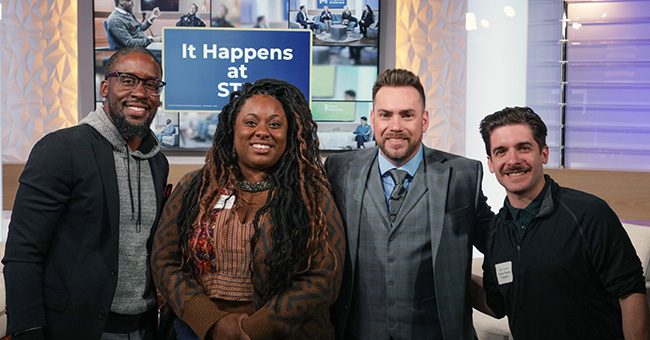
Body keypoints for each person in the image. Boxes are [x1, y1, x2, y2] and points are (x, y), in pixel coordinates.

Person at [151, 79, 345, 339]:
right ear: (232, 129)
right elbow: (164, 262)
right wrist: (211, 322)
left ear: (289, 134)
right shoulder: (194, 188)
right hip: (197, 333)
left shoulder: (311, 195)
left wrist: (254, 329)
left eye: (275, 124)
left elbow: (325, 278)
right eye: (251, 122)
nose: (262, 131)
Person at [3, 47, 169, 339]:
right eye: (127, 79)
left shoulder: (157, 161)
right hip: (76, 328)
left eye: (151, 83)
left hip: (143, 328)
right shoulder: (61, 150)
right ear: (105, 87)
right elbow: (22, 254)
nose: (140, 92)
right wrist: (27, 331)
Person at [325, 68, 493, 339]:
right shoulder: (338, 170)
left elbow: (497, 242)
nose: (395, 126)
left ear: (424, 120)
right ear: (373, 119)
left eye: (407, 115)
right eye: (385, 115)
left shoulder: (462, 174)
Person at [478, 107, 650, 339]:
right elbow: (496, 304)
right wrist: (442, 275)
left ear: (544, 153)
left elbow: (630, 293)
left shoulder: (589, 214)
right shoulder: (497, 231)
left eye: (523, 148)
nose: (513, 160)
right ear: (490, 163)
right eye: (501, 151)